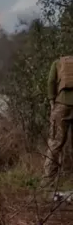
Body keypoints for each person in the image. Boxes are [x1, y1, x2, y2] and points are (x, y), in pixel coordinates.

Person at [41, 55, 73, 188]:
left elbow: (51, 81)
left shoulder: (58, 62)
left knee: (55, 143)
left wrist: (51, 100)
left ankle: (48, 181)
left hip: (62, 104)